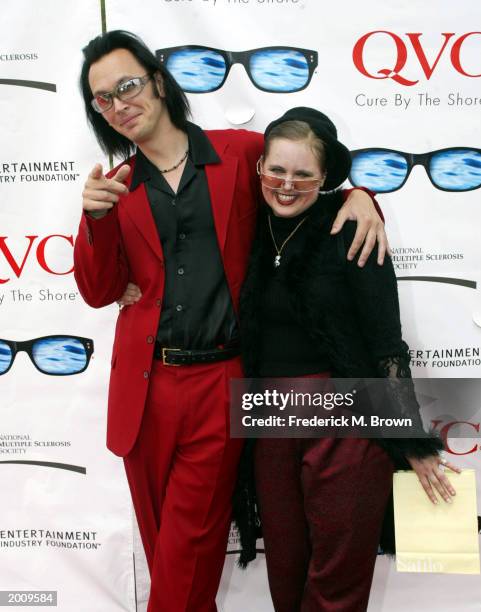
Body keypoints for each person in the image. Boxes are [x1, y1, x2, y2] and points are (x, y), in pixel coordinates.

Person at [74, 29, 388, 612]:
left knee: (186, 557)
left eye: (128, 85)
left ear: (159, 83)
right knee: (170, 555)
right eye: (103, 98)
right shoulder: (116, 190)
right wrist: (92, 222)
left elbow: (304, 178)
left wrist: (361, 195)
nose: (120, 104)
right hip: (142, 392)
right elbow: (98, 293)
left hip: (220, 383)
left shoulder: (240, 153)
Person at [234, 107, 461, 612]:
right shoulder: (243, 229)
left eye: (302, 175)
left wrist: (410, 439)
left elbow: (386, 341)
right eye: (276, 170)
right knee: (285, 576)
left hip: (346, 421)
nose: (286, 185)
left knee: (336, 582)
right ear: (260, 169)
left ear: (326, 179)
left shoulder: (352, 227)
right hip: (267, 422)